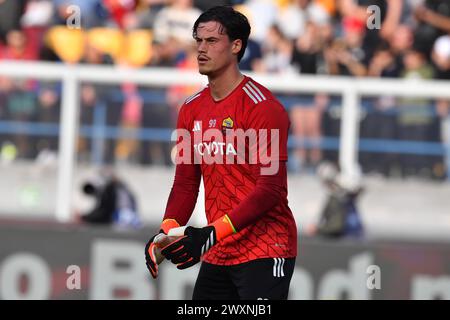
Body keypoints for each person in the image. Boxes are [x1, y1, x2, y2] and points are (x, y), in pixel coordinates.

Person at [144, 6, 297, 300]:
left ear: (236, 46)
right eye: (198, 41)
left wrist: (210, 233)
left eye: (212, 41)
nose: (201, 48)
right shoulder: (190, 109)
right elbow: (186, 183)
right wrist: (167, 231)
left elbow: (270, 189)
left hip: (265, 248)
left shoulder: (263, 107)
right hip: (219, 250)